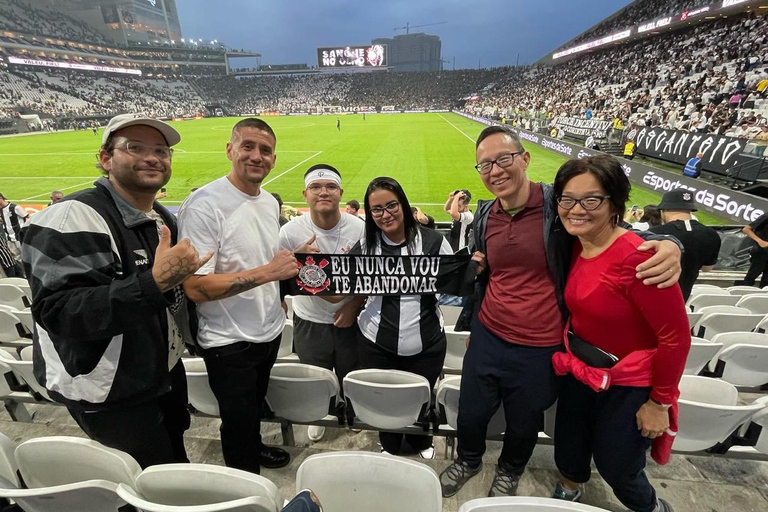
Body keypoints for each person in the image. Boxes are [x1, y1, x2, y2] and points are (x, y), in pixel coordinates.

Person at [439, 125, 682, 498]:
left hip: (541, 344)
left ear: (524, 158)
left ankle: (510, 470)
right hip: (489, 333)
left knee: (524, 421)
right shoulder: (486, 212)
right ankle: (469, 459)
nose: (495, 170)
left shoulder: (560, 205)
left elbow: (613, 229)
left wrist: (669, 242)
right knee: (471, 411)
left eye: (503, 159)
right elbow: (490, 270)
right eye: (485, 165)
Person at [22, 113, 209, 468]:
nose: (153, 157)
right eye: (134, 148)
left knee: (174, 460)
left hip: (160, 369)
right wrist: (155, 283)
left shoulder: (159, 217)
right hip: (109, 388)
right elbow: (61, 312)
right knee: (147, 475)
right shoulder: (71, 218)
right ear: (106, 158)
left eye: (161, 150)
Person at [549, 155, 690, 512]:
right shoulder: (573, 243)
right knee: (569, 446)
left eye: (591, 199)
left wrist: (659, 403)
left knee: (619, 466)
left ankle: (651, 507)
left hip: (627, 386)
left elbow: (676, 336)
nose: (576, 209)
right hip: (581, 370)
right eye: (567, 198)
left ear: (615, 203)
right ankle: (571, 485)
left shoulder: (640, 258)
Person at [178, 118, 304, 475]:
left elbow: (261, 256)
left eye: (265, 150)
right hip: (229, 342)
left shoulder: (266, 201)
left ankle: (254, 445)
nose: (256, 156)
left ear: (274, 159)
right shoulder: (203, 205)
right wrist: (269, 274)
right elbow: (196, 288)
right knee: (237, 419)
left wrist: (283, 276)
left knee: (252, 411)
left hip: (267, 331)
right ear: (230, 150)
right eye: (247, 146)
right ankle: (246, 483)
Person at [348, 177, 455, 459]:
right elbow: (347, 285)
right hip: (375, 342)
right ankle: (391, 444)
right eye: (377, 209)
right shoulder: (364, 245)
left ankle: (421, 442)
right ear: (370, 215)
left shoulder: (433, 241)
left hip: (428, 343)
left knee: (420, 398)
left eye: (392, 205)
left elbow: (453, 283)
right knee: (386, 399)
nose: (386, 214)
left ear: (403, 205)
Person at [278, 164, 365, 442]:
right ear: (305, 193)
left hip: (350, 317)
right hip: (309, 318)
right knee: (316, 373)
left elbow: (372, 277)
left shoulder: (360, 229)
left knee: (350, 371)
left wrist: (353, 305)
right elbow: (276, 273)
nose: (323, 192)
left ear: (341, 192)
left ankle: (352, 409)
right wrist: (295, 259)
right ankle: (323, 413)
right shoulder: (290, 232)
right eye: (316, 187)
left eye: (330, 187)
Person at [651, 190, 721, 301]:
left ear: (665, 210)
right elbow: (707, 268)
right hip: (682, 297)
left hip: (652, 294)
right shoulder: (711, 234)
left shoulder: (654, 233)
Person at [740, 211, 768, 288]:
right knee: (751, 276)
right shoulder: (766, 216)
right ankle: (743, 293)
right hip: (761, 251)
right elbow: (746, 229)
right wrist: (760, 241)